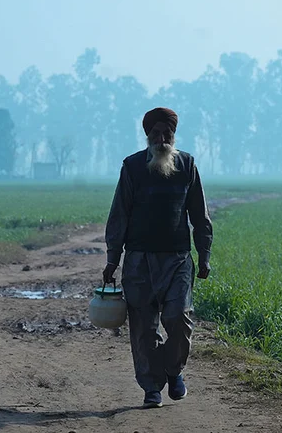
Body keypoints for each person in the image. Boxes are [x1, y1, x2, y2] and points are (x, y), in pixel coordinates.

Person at [103, 107, 213, 409]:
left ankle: (173, 370)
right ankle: (151, 388)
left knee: (178, 318)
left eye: (167, 134)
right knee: (143, 329)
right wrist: (113, 259)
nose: (162, 139)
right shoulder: (133, 167)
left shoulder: (187, 165)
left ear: (174, 136)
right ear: (147, 136)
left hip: (178, 259)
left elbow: (199, 215)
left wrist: (204, 253)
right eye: (156, 134)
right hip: (138, 261)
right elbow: (119, 215)